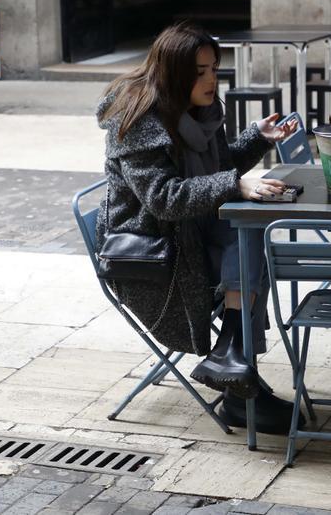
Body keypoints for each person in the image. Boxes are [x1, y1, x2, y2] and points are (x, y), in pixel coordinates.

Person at [95, 22, 302, 434]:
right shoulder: (137, 120)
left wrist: (258, 139)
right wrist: (236, 184)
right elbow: (163, 199)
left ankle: (233, 363)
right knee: (246, 235)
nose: (211, 80)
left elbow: (216, 172)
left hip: (188, 232)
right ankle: (238, 376)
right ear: (173, 73)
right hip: (150, 251)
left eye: (214, 69)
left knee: (248, 230)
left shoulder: (200, 113)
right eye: (201, 71)